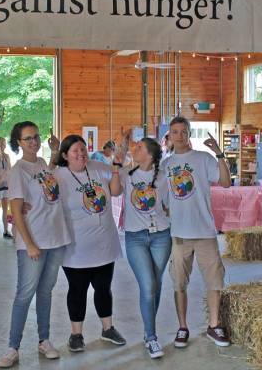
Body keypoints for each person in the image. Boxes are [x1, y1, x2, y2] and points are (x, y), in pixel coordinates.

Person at [0, 122, 71, 368]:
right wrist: (28, 244)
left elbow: (47, 180)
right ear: (19, 142)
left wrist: (55, 151)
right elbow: (15, 211)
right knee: (24, 294)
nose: (34, 141)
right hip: (34, 241)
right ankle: (12, 347)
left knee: (45, 292)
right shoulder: (18, 171)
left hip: (55, 238)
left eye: (36, 137)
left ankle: (44, 339)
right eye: (28, 138)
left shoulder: (40, 164)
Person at [161, 116, 231, 349]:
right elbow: (161, 198)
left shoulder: (203, 159)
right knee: (179, 283)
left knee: (215, 281)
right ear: (169, 136)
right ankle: (183, 327)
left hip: (205, 233)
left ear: (189, 134)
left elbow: (225, 182)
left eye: (183, 131)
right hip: (179, 235)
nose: (179, 136)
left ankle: (214, 325)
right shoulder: (166, 165)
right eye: (174, 132)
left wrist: (219, 153)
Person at [54, 134, 126, 352]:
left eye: (83, 149)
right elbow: (45, 201)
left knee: (103, 288)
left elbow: (115, 191)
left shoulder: (98, 167)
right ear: (65, 155)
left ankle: (108, 329)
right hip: (76, 247)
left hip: (104, 243)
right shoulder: (58, 175)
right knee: (77, 290)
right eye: (75, 151)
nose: (81, 154)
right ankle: (76, 334)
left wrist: (116, 166)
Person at [112, 137, 171, 359]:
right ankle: (152, 337)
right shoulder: (128, 173)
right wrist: (117, 168)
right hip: (135, 237)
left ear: (150, 154)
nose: (135, 150)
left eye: (139, 148)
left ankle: (148, 334)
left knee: (156, 284)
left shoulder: (164, 177)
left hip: (161, 237)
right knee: (148, 286)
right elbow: (115, 192)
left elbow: (169, 205)